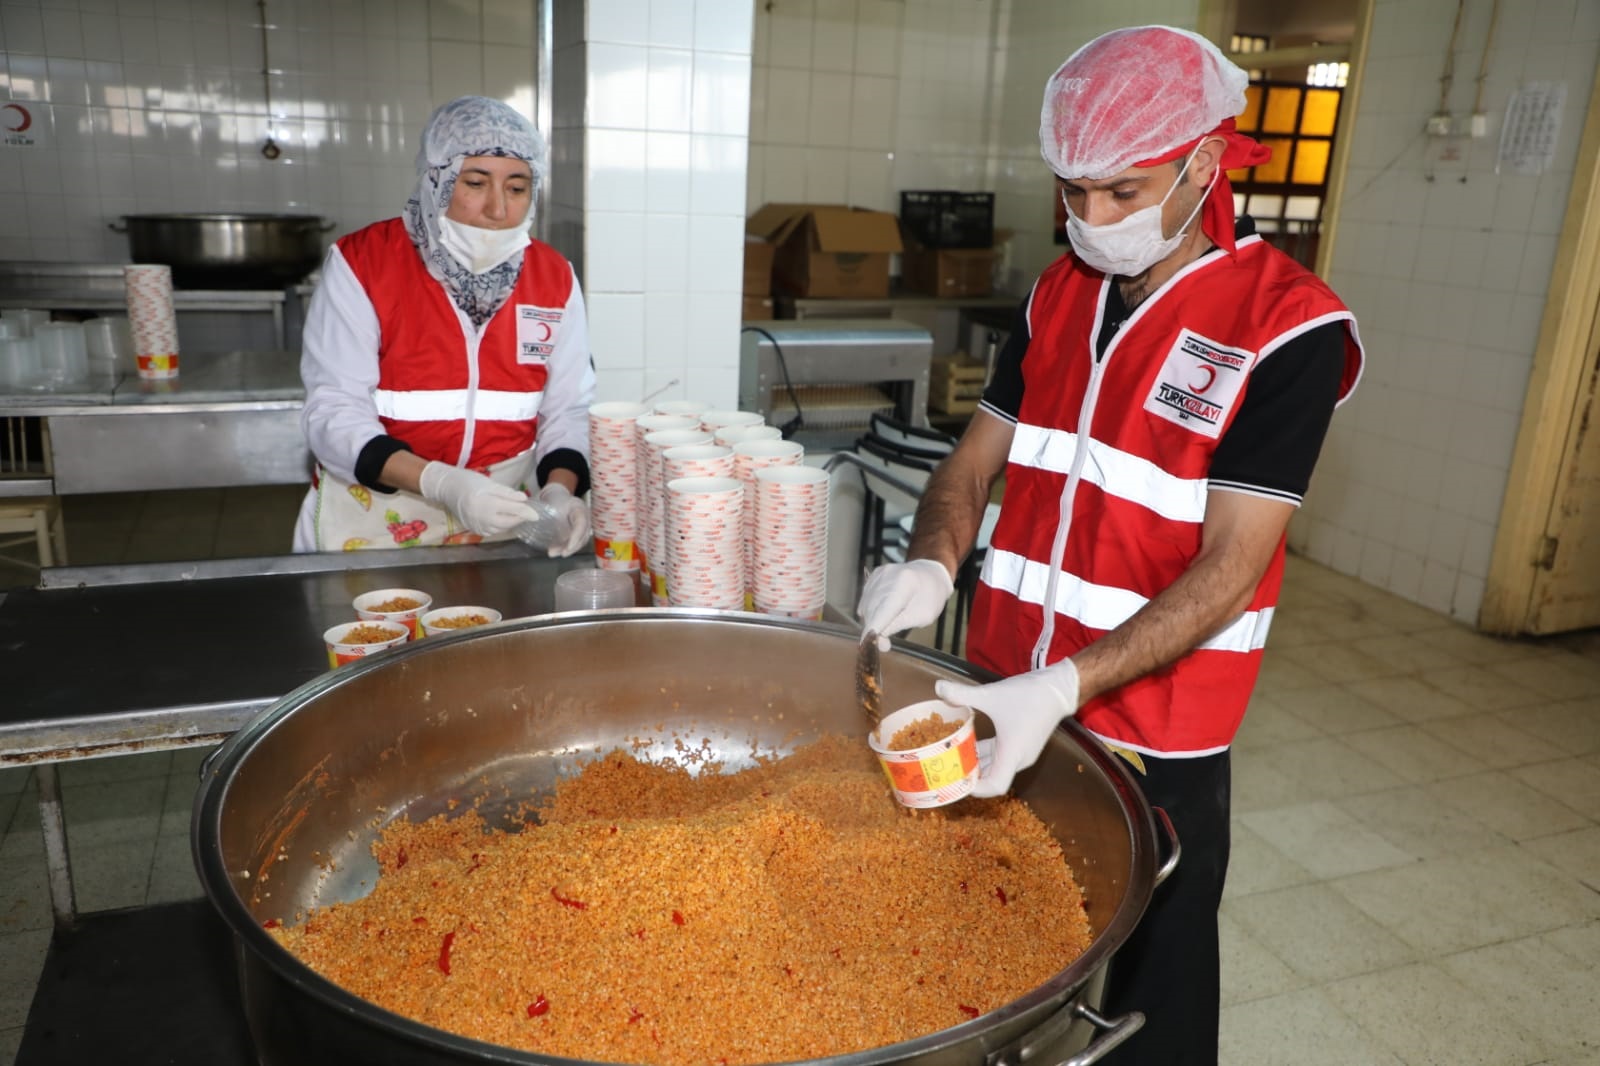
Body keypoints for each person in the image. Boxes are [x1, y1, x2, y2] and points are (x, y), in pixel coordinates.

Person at [857, 26, 1363, 1066]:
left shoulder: (1287, 328)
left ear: (1203, 164)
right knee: (995, 948)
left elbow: (1231, 566)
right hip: (1002, 685)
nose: (1091, 221)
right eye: (1072, 191)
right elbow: (972, 462)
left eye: (1122, 192)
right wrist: (932, 561)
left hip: (1154, 729)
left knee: (1149, 996)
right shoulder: (1058, 293)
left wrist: (1067, 685)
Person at [293, 95, 595, 555]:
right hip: (378, 517)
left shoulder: (553, 278)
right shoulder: (365, 264)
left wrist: (560, 489)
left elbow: (568, 408)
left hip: (502, 518)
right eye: (475, 183)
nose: (498, 209)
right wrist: (442, 483)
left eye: (517, 188)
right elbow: (334, 411)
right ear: (436, 179)